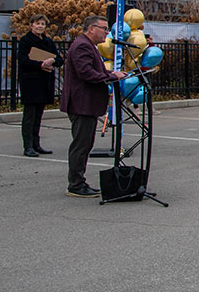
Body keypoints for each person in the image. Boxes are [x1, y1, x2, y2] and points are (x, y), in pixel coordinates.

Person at [62, 15, 127, 197]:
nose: (107, 32)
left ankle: (78, 181)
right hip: (82, 104)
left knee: (85, 143)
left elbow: (92, 70)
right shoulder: (82, 45)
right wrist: (111, 77)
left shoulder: (88, 45)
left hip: (86, 104)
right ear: (91, 28)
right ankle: (75, 184)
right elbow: (86, 73)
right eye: (104, 28)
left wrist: (110, 72)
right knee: (81, 145)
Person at [17, 14, 64, 157]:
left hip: (44, 82)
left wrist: (52, 61)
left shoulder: (48, 42)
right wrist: (41, 64)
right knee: (29, 115)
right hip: (30, 82)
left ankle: (36, 144)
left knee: (39, 115)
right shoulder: (25, 41)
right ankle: (28, 146)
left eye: (43, 24)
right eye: (37, 23)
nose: (40, 26)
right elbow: (23, 61)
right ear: (31, 25)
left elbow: (59, 60)